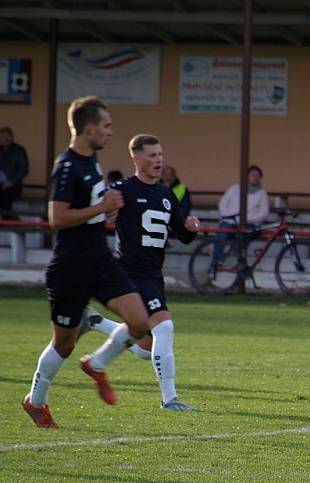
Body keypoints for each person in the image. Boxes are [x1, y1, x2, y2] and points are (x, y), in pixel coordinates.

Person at [22, 96, 150, 429]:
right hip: (70, 268)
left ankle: (96, 363)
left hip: (100, 260)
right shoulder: (66, 166)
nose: (111, 132)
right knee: (63, 343)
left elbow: (89, 206)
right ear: (89, 128)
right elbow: (57, 217)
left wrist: (106, 209)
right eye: (106, 126)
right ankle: (36, 402)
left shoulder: (91, 158)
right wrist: (99, 207)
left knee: (140, 323)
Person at [84, 134, 201, 411]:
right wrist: (104, 215)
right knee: (165, 327)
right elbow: (95, 219)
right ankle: (170, 399)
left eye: (160, 155)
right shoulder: (121, 189)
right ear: (135, 157)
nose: (158, 160)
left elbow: (182, 235)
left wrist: (191, 229)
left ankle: (96, 328)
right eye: (151, 155)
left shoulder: (165, 194)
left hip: (153, 274)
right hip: (130, 272)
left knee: (144, 346)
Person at [211, 165, 269, 265]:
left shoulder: (262, 193)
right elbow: (223, 204)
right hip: (230, 221)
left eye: (258, 175)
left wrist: (248, 219)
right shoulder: (235, 188)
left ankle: (239, 262)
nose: (255, 177)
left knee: (242, 235)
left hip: (249, 223)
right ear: (246, 176)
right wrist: (228, 216)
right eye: (253, 174)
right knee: (222, 232)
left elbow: (264, 213)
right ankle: (216, 262)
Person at [0, 126, 29, 219]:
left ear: (12, 137)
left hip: (13, 185)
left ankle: (7, 219)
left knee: (5, 195)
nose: (6, 139)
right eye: (3, 136)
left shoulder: (19, 150)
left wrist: (11, 182)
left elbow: (23, 169)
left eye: (8, 136)